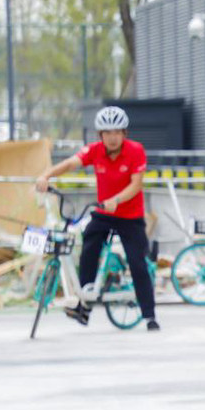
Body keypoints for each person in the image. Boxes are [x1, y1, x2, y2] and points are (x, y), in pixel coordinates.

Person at [34, 105, 159, 331]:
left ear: (124, 133)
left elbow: (136, 184)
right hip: (104, 213)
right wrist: (45, 176)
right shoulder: (95, 150)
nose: (112, 137)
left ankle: (149, 315)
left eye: (117, 132)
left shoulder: (135, 150)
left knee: (137, 262)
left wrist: (117, 200)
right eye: (107, 133)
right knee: (89, 247)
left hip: (130, 215)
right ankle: (85, 305)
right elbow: (70, 163)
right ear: (100, 135)